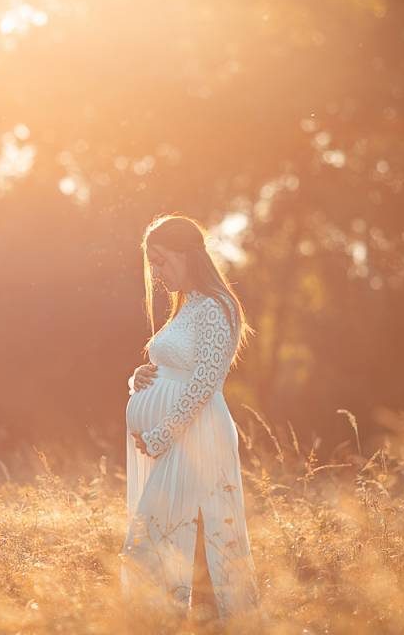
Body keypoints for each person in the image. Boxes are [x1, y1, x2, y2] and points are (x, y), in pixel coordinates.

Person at [121, 214, 259, 621]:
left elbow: (204, 383)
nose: (157, 273)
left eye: (162, 261)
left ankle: (212, 623)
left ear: (186, 254)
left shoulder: (216, 307)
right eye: (153, 264)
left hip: (196, 439)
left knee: (198, 537)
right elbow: (174, 371)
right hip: (176, 439)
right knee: (164, 538)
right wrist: (140, 377)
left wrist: (162, 433)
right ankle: (170, 623)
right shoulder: (189, 307)